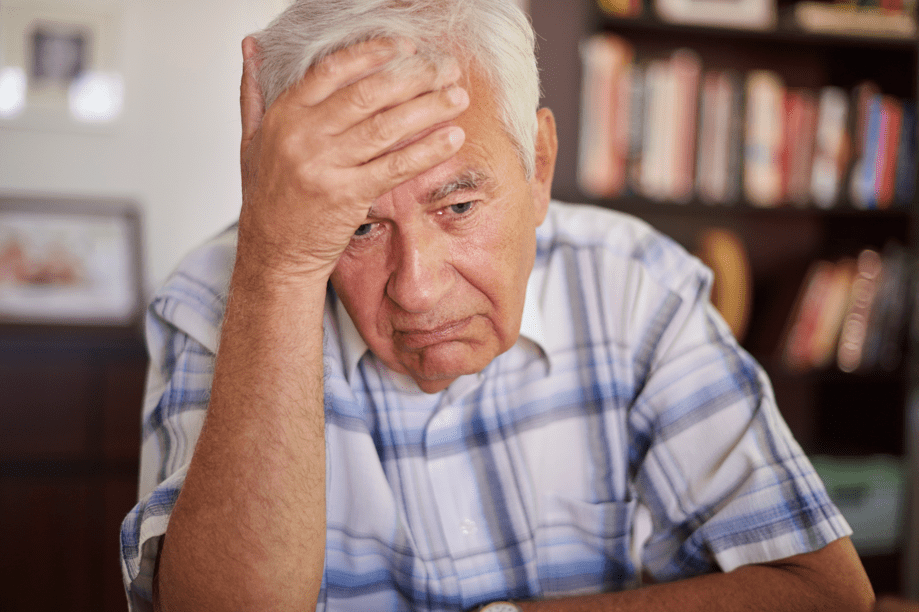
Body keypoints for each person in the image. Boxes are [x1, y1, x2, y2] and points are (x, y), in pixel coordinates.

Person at [120, 1, 876, 610]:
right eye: (356, 225)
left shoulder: (633, 278)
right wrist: (280, 264)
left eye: (457, 206)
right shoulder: (225, 292)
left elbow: (822, 591)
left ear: (538, 164)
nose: (414, 286)